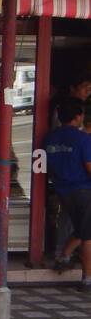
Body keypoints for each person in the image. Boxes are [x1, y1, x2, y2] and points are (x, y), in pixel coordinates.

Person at [43, 97, 91, 289]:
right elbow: (89, 166)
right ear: (78, 117)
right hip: (84, 190)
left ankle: (64, 256)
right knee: (88, 235)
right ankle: (87, 278)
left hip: (63, 190)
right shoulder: (83, 139)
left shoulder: (50, 138)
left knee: (82, 227)